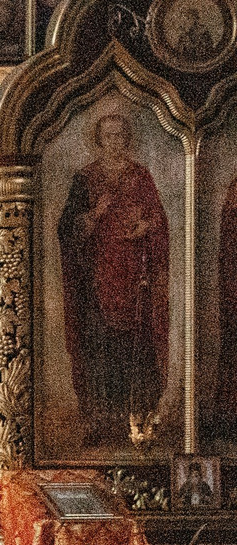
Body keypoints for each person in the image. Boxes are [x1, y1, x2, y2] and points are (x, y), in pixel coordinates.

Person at [56, 111, 171, 447]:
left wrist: (146, 228)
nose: (114, 142)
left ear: (127, 139)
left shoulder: (141, 177)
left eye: (120, 135)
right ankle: (100, 422)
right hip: (97, 283)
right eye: (108, 136)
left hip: (136, 283)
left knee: (133, 352)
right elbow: (66, 229)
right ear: (99, 140)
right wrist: (94, 215)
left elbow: (159, 221)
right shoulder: (85, 178)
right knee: (99, 352)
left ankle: (136, 421)